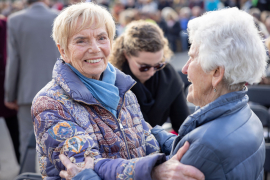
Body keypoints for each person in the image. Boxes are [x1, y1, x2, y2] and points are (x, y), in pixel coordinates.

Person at [31, 2, 204, 180]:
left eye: (101, 38)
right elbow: (87, 167)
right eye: (81, 40)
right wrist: (153, 171)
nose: (95, 48)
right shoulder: (49, 103)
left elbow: (146, 138)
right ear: (63, 50)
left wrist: (192, 145)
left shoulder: (123, 90)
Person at [151, 7, 266, 179]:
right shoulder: (247, 116)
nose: (184, 68)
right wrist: (149, 131)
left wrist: (151, 173)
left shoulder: (207, 145)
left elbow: (200, 148)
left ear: (216, 73)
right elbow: (185, 145)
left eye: (192, 57)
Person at [5, 0, 59, 171]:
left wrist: (10, 94)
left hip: (27, 92)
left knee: (27, 145)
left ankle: (28, 176)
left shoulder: (15, 20)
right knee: (57, 142)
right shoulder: (59, 17)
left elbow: (13, 61)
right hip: (58, 92)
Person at [110, 20, 189, 132]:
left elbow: (183, 124)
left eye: (158, 65)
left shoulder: (168, 74)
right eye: (144, 67)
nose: (151, 72)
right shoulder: (112, 80)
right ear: (126, 55)